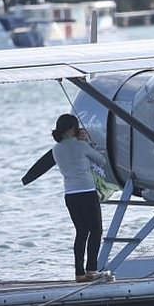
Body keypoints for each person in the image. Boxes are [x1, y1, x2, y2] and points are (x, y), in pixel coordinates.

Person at [51, 113, 106, 283]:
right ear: (72, 128)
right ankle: (92, 270)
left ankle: (79, 272)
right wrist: (88, 142)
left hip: (70, 194)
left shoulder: (56, 149)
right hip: (87, 192)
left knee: (81, 232)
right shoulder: (81, 146)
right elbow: (101, 160)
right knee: (96, 231)